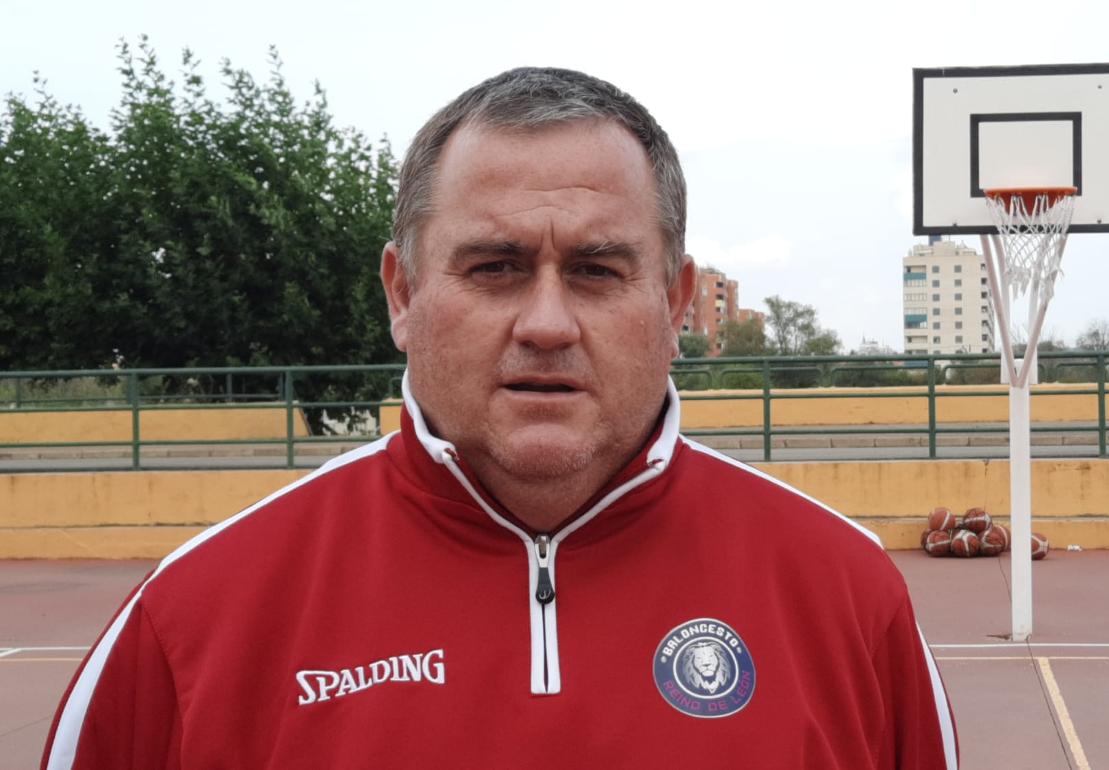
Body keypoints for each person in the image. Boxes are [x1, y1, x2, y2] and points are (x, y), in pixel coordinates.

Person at [43, 67, 958, 769]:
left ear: (677, 305)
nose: (548, 323)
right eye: (494, 268)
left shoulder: (846, 595)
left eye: (598, 270)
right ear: (403, 295)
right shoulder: (193, 618)